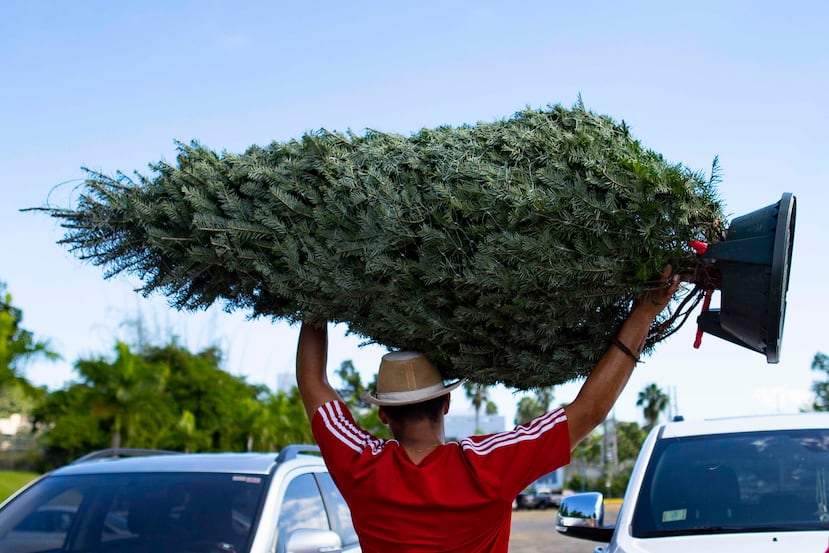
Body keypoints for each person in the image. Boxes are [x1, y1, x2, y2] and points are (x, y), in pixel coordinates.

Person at [296, 266, 680, 552]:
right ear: (446, 402)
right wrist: (645, 311)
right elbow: (590, 409)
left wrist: (314, 288)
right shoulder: (486, 467)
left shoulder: (360, 464)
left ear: (383, 413)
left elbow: (313, 383)